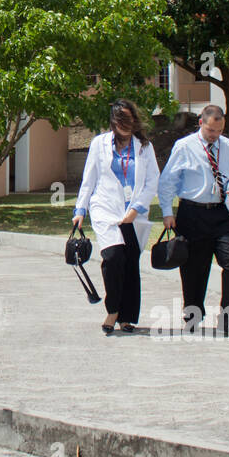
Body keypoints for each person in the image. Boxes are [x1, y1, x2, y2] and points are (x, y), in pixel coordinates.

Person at [158, 104, 229, 335]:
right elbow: (168, 181)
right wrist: (168, 212)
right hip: (192, 213)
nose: (215, 136)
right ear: (201, 123)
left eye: (219, 131)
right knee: (194, 268)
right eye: (211, 131)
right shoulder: (184, 147)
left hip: (222, 214)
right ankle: (193, 315)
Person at [72, 99, 159, 335]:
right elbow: (88, 179)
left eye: (129, 119)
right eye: (121, 120)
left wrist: (137, 208)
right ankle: (113, 310)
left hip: (134, 213)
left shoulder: (144, 146)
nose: (125, 124)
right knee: (112, 257)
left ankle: (128, 317)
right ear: (113, 121)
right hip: (105, 208)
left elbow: (152, 181)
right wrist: (80, 210)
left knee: (130, 263)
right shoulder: (99, 144)